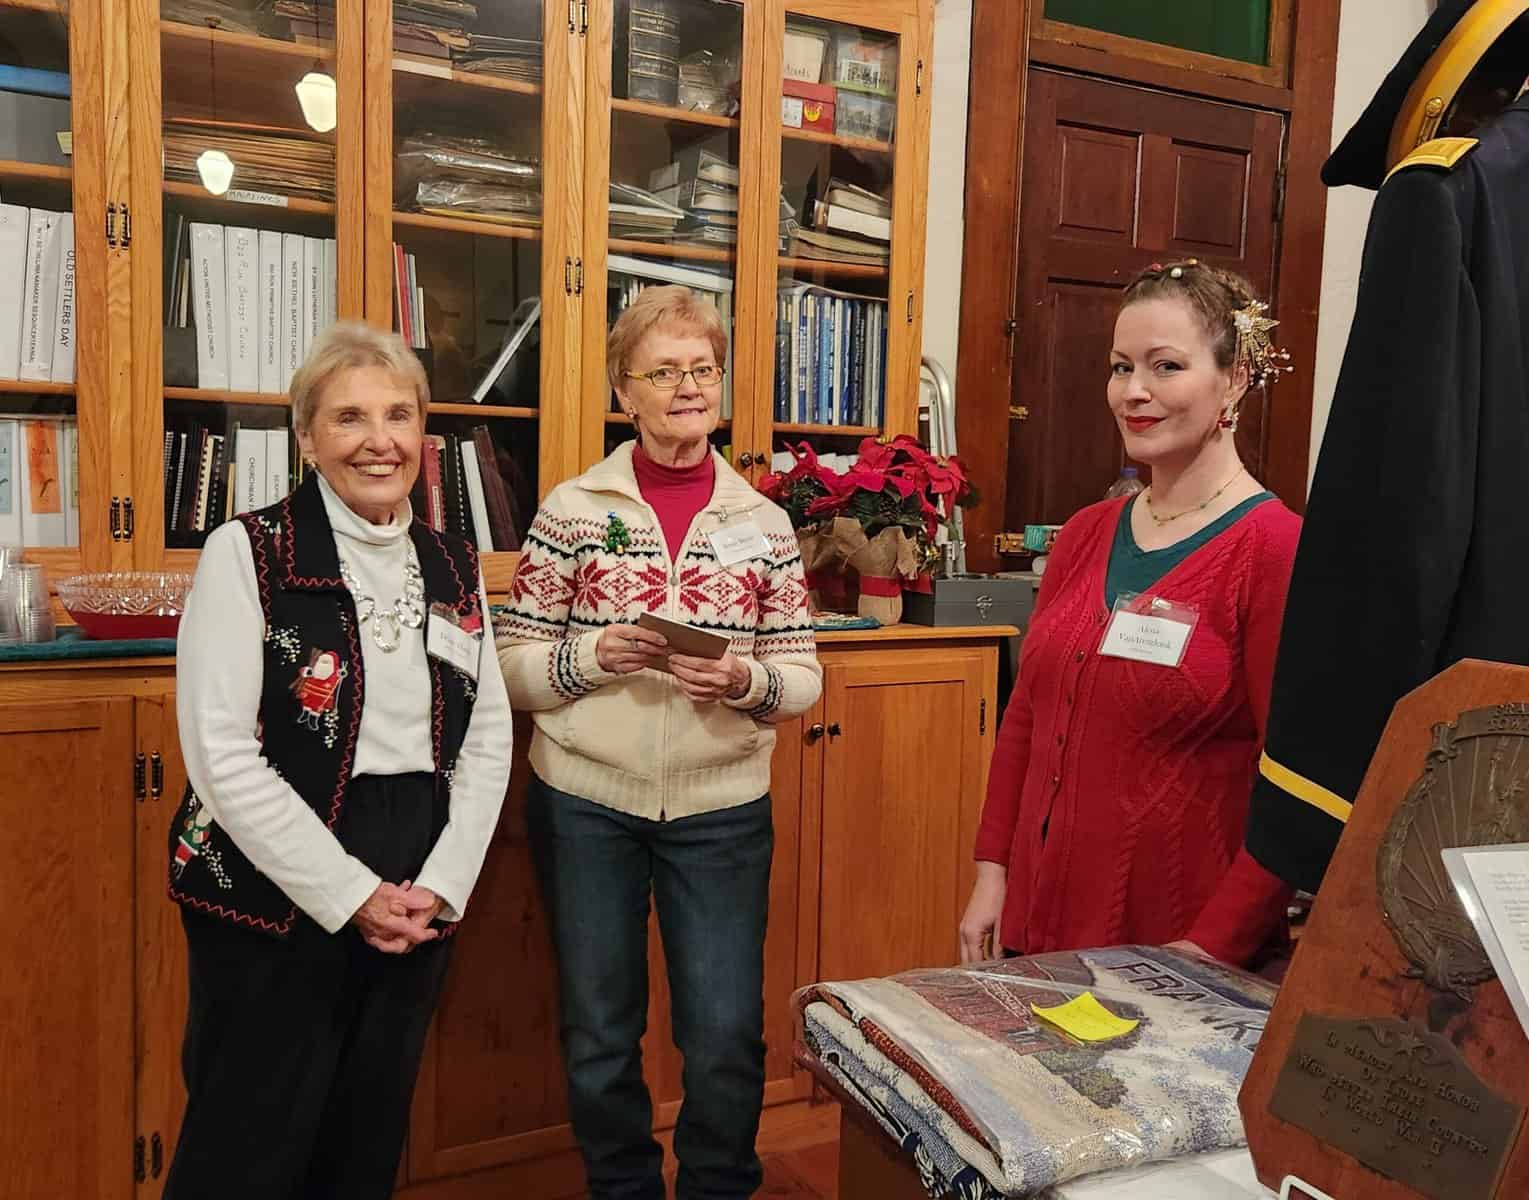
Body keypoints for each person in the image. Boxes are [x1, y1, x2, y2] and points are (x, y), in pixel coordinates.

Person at [164, 322, 513, 1199]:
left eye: (399, 415)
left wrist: (443, 883)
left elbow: (486, 736)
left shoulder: (452, 562)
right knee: (247, 1137)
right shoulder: (246, 553)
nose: (378, 439)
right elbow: (220, 754)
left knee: (366, 1132)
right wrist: (351, 893)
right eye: (349, 417)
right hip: (274, 868)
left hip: (417, 861)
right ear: (307, 437)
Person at [495, 285, 821, 1199]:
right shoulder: (570, 508)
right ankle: (624, 1191)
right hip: (585, 800)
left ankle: (718, 1189)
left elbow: (801, 676)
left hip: (722, 810)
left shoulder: (763, 523)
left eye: (703, 369)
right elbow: (514, 666)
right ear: (623, 391)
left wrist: (743, 681)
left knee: (723, 1031)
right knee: (600, 1028)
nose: (688, 388)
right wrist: (595, 655)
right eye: (664, 371)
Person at [959, 260, 1300, 970]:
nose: (1133, 392)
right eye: (1120, 367)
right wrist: (993, 871)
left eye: (1165, 366)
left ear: (1234, 379)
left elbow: (1292, 779)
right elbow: (1027, 715)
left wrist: (1209, 947)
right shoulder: (1086, 531)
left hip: (1178, 953)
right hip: (1035, 928)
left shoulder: (1274, 549)